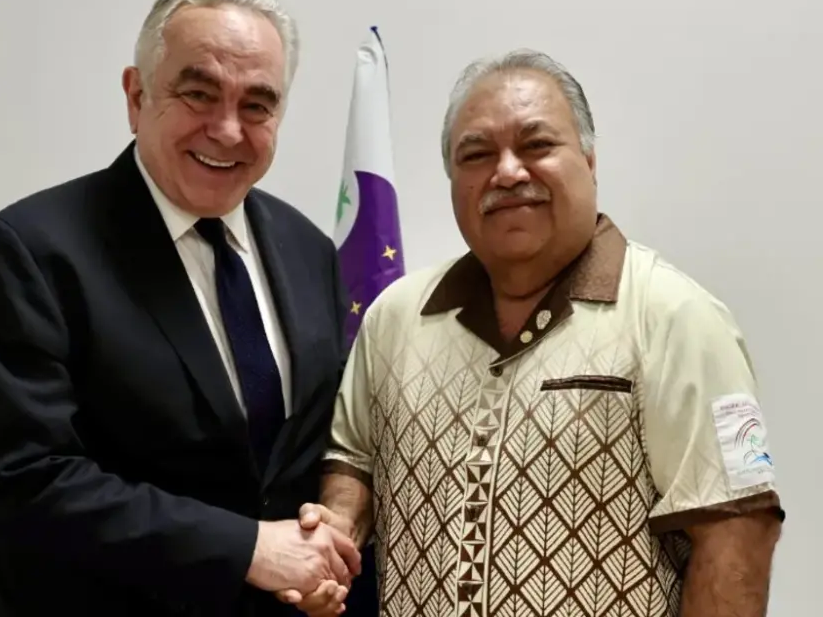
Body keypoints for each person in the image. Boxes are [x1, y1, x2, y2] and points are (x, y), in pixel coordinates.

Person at [294, 49, 785, 617]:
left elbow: (736, 532)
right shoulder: (394, 319)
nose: (507, 172)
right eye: (476, 154)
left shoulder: (677, 318)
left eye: (536, 145)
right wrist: (339, 527)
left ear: (590, 160)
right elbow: (354, 459)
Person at [0, 0, 360, 615]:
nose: (227, 129)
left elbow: (301, 454)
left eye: (257, 104)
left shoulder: (309, 251)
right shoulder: (31, 251)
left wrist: (325, 540)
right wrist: (247, 548)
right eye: (198, 93)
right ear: (137, 95)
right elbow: (27, 483)